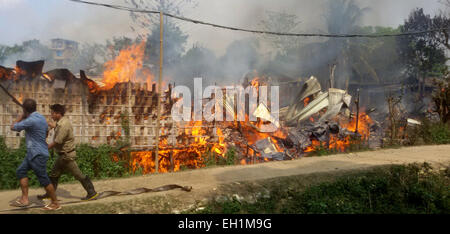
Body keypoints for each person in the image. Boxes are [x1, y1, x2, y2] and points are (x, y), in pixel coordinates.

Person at [37, 104, 98, 201]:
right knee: (54, 174)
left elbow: (57, 141)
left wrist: (45, 148)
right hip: (63, 156)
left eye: (52, 113)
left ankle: (92, 193)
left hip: (66, 156)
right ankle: (50, 194)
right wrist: (49, 124)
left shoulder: (64, 125)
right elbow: (56, 127)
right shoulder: (61, 122)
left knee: (78, 175)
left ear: (58, 114)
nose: (51, 115)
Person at [10, 99, 60, 210]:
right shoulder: (41, 117)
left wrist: (22, 116)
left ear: (25, 109)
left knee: (44, 179)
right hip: (33, 153)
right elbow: (46, 131)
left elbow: (13, 127)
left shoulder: (30, 120)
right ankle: (25, 199)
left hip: (37, 154)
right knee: (21, 171)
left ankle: (55, 203)